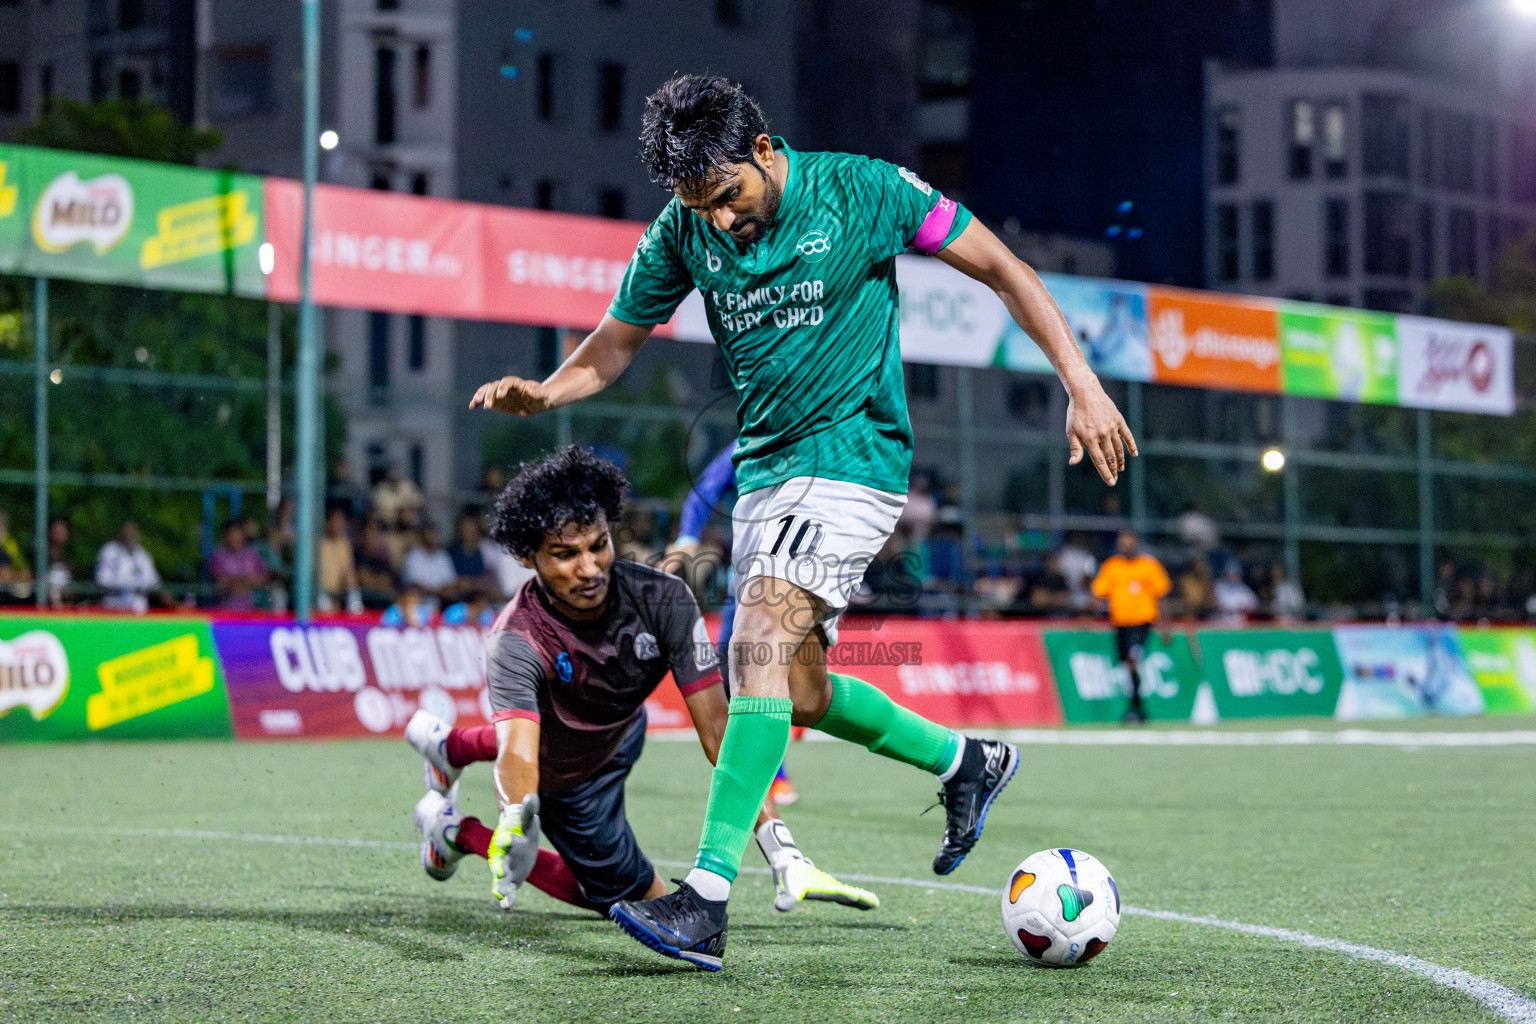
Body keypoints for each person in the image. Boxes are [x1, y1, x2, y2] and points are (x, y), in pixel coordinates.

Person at [468, 75, 1134, 970]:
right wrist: (549, 390)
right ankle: (964, 761)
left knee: (757, 641)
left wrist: (1082, 386)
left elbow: (1004, 270)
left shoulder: (866, 190)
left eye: (729, 197)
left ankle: (704, 899)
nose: (720, 221)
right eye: (699, 205)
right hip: (766, 476)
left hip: (856, 457)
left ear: (765, 150)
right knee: (802, 689)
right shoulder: (684, 230)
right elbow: (618, 340)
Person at [406, 446, 876, 935]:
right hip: (568, 776)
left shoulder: (663, 597)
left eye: (597, 545)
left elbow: (720, 731)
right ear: (528, 558)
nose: (589, 568)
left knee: (584, 715)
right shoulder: (513, 640)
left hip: (622, 725)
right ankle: (455, 830)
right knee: (628, 898)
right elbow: (521, 753)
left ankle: (449, 746)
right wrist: (512, 814)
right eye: (566, 555)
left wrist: (781, 847)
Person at [670, 439, 798, 807]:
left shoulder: (814, 437)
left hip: (802, 573)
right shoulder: (748, 443)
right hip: (746, 578)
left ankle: (771, 768)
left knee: (795, 680)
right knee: (738, 668)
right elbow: (703, 492)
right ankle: (771, 773)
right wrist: (687, 537)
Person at [1091, 530, 1171, 724]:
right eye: (1122, 542)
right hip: (1120, 623)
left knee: (1134, 659)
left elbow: (1161, 595)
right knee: (1126, 665)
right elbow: (1099, 594)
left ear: (1136, 543)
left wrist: (1165, 624)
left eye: (1128, 542)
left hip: (1143, 622)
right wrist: (1091, 614)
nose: (1125, 546)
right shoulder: (1112, 566)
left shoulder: (1149, 565)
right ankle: (1138, 706)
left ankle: (1135, 708)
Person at [95, 520, 162, 613]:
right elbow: (102, 579)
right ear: (121, 533)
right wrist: (125, 585)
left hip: (138, 610)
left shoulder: (143, 555)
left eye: (133, 532)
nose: (130, 535)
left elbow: (153, 581)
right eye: (127, 532)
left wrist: (137, 586)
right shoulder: (110, 551)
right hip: (114, 606)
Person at [209, 521, 271, 611]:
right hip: (224, 609)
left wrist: (244, 583)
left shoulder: (252, 554)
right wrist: (245, 582)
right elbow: (219, 579)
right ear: (225, 536)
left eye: (237, 534)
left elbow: (265, 577)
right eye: (231, 535)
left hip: (252, 609)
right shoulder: (218, 555)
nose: (235, 538)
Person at [400, 522, 458, 613]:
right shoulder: (413, 556)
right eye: (429, 532)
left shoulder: (443, 556)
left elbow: (451, 586)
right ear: (422, 535)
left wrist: (438, 592)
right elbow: (416, 587)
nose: (432, 536)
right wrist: (439, 592)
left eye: (434, 533)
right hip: (417, 607)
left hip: (441, 607)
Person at [319, 508, 358, 612]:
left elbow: (348, 571)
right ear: (328, 522)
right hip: (321, 593)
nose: (338, 525)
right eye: (335, 521)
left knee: (354, 603)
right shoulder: (320, 544)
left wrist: (353, 594)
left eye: (341, 522)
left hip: (340, 594)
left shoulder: (344, 545)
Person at [1212, 561, 1259, 626]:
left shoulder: (1245, 591)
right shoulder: (1218, 587)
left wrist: (1242, 608)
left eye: (1235, 574)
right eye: (1230, 573)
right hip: (1221, 623)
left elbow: (1253, 606)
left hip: (1241, 625)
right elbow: (1214, 605)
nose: (1233, 576)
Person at [0, 509, 33, 599]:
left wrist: (11, 576)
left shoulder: (12, 545)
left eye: (1, 523)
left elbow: (27, 574)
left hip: (8, 597)